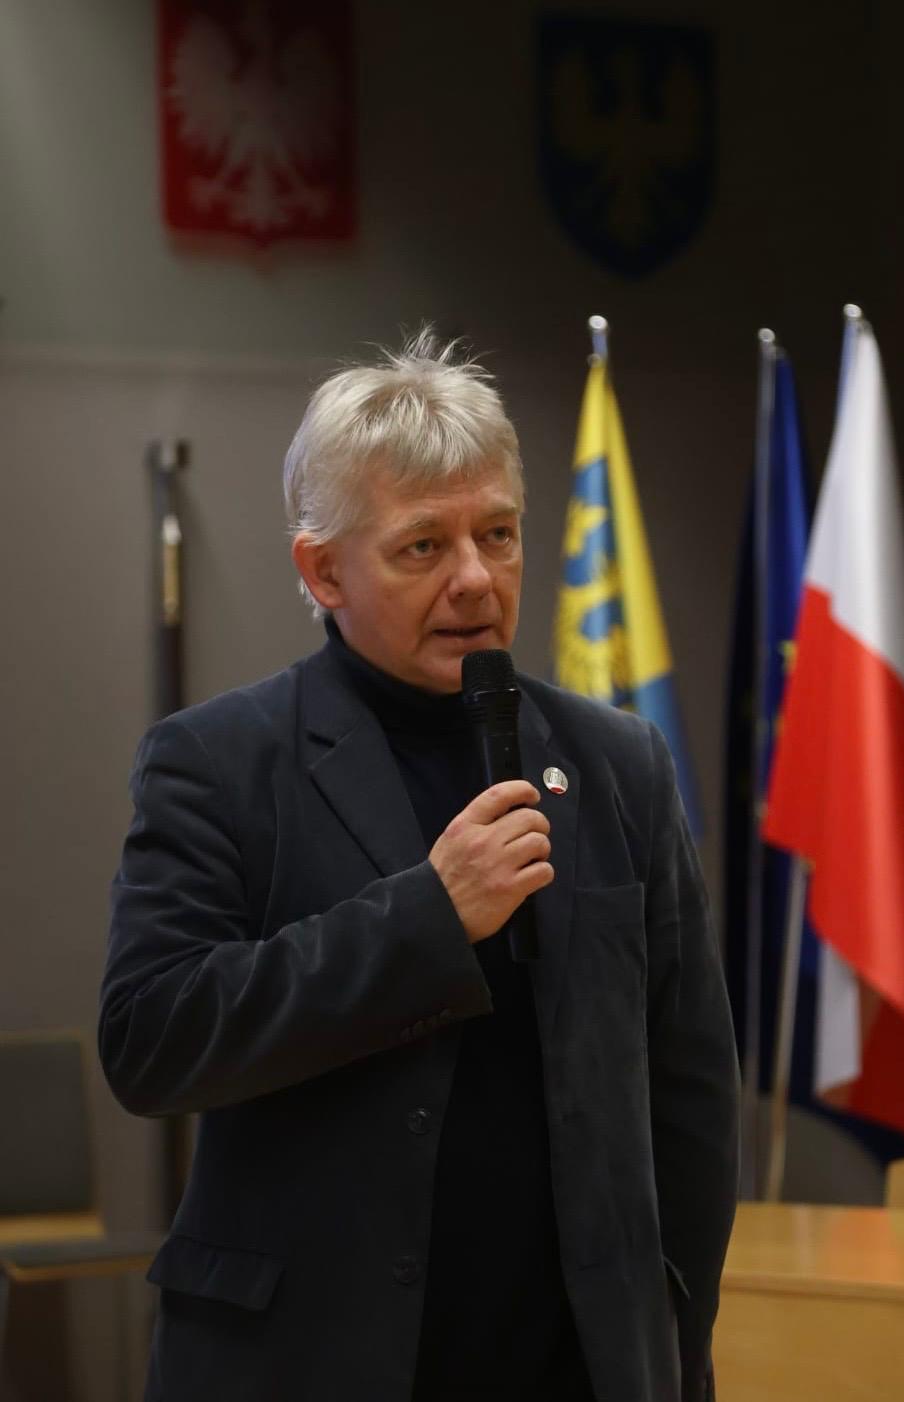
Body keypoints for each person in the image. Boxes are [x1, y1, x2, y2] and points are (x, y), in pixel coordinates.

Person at [100, 332, 739, 1402]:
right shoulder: (218, 761)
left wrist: (678, 1353)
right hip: (306, 1365)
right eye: (423, 547)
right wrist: (427, 920)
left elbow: (690, 1096)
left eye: (498, 533)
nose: (476, 579)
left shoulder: (616, 763)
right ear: (322, 570)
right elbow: (150, 1038)